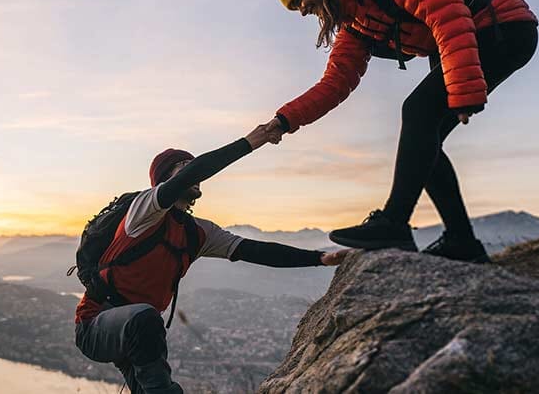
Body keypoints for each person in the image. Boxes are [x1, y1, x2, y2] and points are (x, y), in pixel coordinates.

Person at [264, 0, 539, 263]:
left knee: (418, 112)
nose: (303, 10)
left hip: (501, 25)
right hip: (474, 37)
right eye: (295, 8)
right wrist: (284, 120)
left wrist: (463, 90)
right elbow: (336, 83)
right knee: (425, 139)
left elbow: (446, 11)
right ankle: (461, 241)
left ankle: (394, 222)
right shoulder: (355, 22)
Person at [74, 125, 349, 393]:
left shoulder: (198, 233)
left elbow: (254, 250)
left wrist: (320, 258)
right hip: (96, 325)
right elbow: (194, 171)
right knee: (152, 349)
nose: (195, 174)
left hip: (137, 331)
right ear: (165, 179)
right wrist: (251, 142)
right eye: (183, 167)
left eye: (193, 167)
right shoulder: (143, 213)